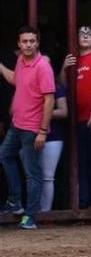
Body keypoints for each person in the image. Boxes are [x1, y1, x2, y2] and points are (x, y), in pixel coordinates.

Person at [0, 26, 55, 229]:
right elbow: (16, 80)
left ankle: (30, 216)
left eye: (32, 41)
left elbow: (49, 100)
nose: (28, 45)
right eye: (25, 41)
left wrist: (42, 131)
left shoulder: (43, 67)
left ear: (37, 43)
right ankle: (16, 202)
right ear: (19, 44)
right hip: (18, 123)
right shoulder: (21, 62)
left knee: (32, 172)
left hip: (32, 127)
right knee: (5, 155)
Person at [60, 26, 91, 210]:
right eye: (82, 34)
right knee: (81, 160)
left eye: (89, 34)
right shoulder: (73, 60)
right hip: (77, 118)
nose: (85, 37)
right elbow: (62, 87)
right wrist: (64, 69)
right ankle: (83, 199)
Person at [39, 78, 67, 212]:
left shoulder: (57, 88)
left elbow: (63, 111)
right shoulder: (27, 85)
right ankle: (33, 210)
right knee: (32, 175)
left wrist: (43, 113)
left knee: (48, 176)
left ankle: (45, 212)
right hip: (30, 134)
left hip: (53, 137)